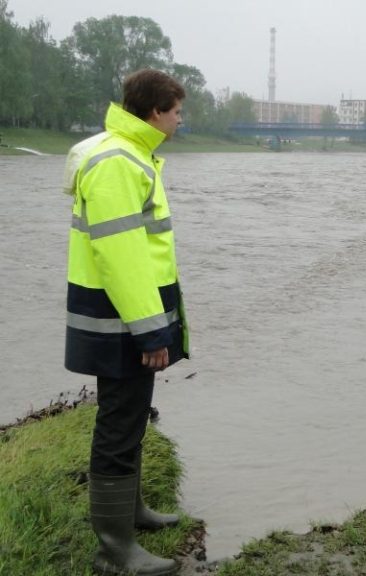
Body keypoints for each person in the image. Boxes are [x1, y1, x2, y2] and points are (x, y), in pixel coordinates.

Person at [65, 68, 189, 576]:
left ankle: (130, 513)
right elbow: (123, 256)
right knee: (118, 424)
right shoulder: (118, 162)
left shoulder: (129, 153)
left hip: (126, 314)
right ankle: (114, 550)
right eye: (178, 110)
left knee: (134, 413)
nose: (182, 119)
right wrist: (151, 329)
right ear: (155, 112)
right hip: (121, 319)